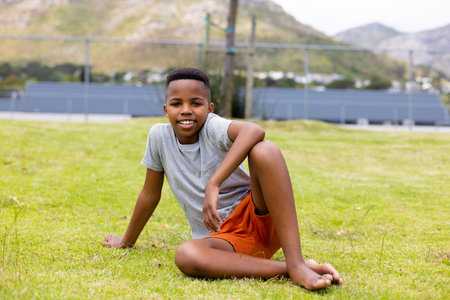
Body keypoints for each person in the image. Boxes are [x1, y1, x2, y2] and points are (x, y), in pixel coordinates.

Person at [102, 68, 342, 290]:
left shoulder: (212, 127)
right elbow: (150, 194)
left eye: (196, 103)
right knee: (187, 255)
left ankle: (297, 262)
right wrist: (126, 241)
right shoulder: (158, 137)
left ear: (209, 108)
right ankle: (292, 270)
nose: (186, 110)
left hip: (258, 217)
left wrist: (214, 183)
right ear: (166, 110)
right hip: (223, 241)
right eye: (177, 103)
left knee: (264, 150)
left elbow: (254, 131)